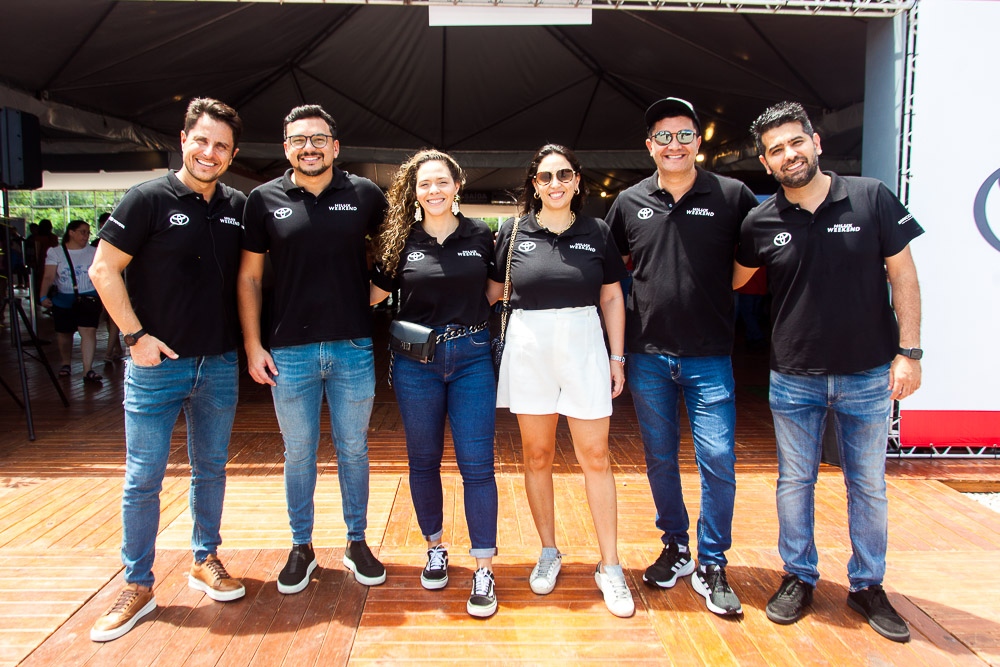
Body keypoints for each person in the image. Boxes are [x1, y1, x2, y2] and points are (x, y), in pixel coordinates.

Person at [733, 101, 923, 643]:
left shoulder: (872, 197)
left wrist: (910, 352)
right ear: (767, 165)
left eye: (795, 142)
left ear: (815, 142)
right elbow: (732, 277)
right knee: (796, 482)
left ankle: (867, 585)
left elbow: (904, 275)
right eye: (776, 150)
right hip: (793, 375)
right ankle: (799, 576)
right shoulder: (760, 220)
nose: (788, 154)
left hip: (868, 374)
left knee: (868, 485)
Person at [87, 98, 247, 642]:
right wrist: (135, 338)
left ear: (232, 154)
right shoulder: (147, 199)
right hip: (156, 366)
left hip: (219, 364)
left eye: (221, 145)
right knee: (143, 478)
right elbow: (103, 268)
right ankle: (137, 584)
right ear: (183, 140)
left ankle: (206, 559)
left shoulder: (236, 205)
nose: (210, 152)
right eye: (201, 141)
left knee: (211, 468)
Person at [605, 97, 758, 616]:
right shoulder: (628, 202)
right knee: (659, 458)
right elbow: (611, 270)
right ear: (650, 145)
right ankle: (677, 545)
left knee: (718, 459)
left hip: (710, 355)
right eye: (663, 137)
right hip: (648, 355)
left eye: (684, 135)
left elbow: (748, 264)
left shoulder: (732, 195)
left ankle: (714, 561)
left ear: (699, 141)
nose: (674, 145)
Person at [239, 104, 388, 595]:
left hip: (352, 347)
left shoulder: (364, 194)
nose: (310, 147)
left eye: (320, 139)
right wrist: (253, 343)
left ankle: (356, 541)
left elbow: (396, 251)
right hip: (290, 351)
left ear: (336, 146)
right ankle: (301, 547)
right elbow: (250, 277)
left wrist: (367, 298)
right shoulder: (263, 200)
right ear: (286, 148)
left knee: (354, 450)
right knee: (298, 453)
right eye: (300, 139)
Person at [493, 144, 633, 617]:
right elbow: (490, 292)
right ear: (534, 184)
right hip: (530, 345)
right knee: (537, 455)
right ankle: (549, 550)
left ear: (577, 181)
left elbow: (612, 297)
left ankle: (609, 565)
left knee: (595, 455)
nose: (555, 183)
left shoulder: (597, 231)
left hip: (584, 342)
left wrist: (617, 357)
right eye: (545, 176)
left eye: (564, 175)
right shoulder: (513, 233)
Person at [370, 150, 501, 618]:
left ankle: (484, 567)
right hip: (416, 363)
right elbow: (373, 294)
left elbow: (494, 291)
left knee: (477, 466)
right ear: (414, 191)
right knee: (423, 460)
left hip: (471, 360)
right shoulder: (400, 240)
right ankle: (435, 548)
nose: (434, 191)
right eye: (424, 184)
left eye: (441, 182)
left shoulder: (481, 235)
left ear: (457, 185)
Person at [38, 220, 103, 383]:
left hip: (89, 297)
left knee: (88, 331)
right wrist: (43, 296)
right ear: (71, 233)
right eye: (82, 232)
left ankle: (87, 369)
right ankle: (66, 363)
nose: (86, 236)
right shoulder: (56, 252)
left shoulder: (95, 251)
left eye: (88, 232)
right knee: (64, 333)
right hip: (64, 298)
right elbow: (49, 276)